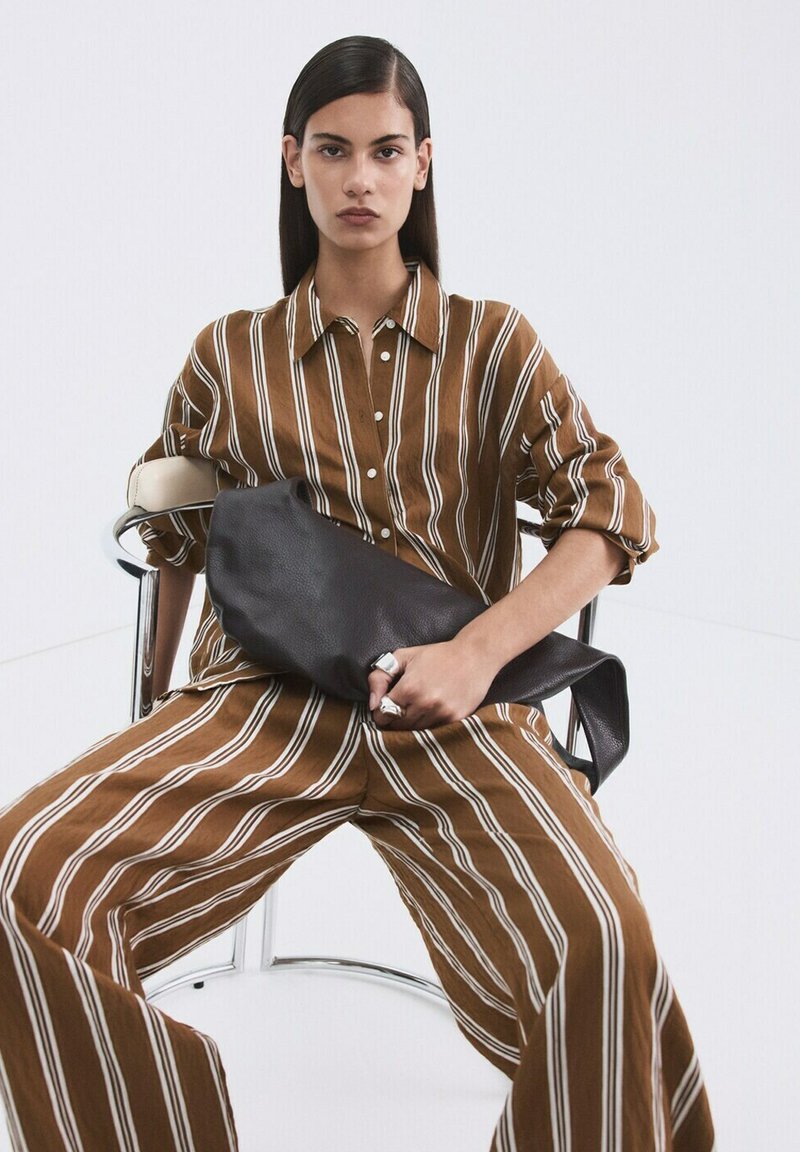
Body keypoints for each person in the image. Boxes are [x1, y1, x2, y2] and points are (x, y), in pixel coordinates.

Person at [0, 33, 716, 1152]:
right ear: (293, 161)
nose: (360, 179)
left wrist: (477, 655)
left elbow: (611, 510)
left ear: (423, 163)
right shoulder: (231, 355)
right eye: (333, 150)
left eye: (386, 151)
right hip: (262, 700)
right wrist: (153, 714)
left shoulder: (491, 344)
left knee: (607, 940)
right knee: (23, 875)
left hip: (458, 708)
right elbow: (174, 537)